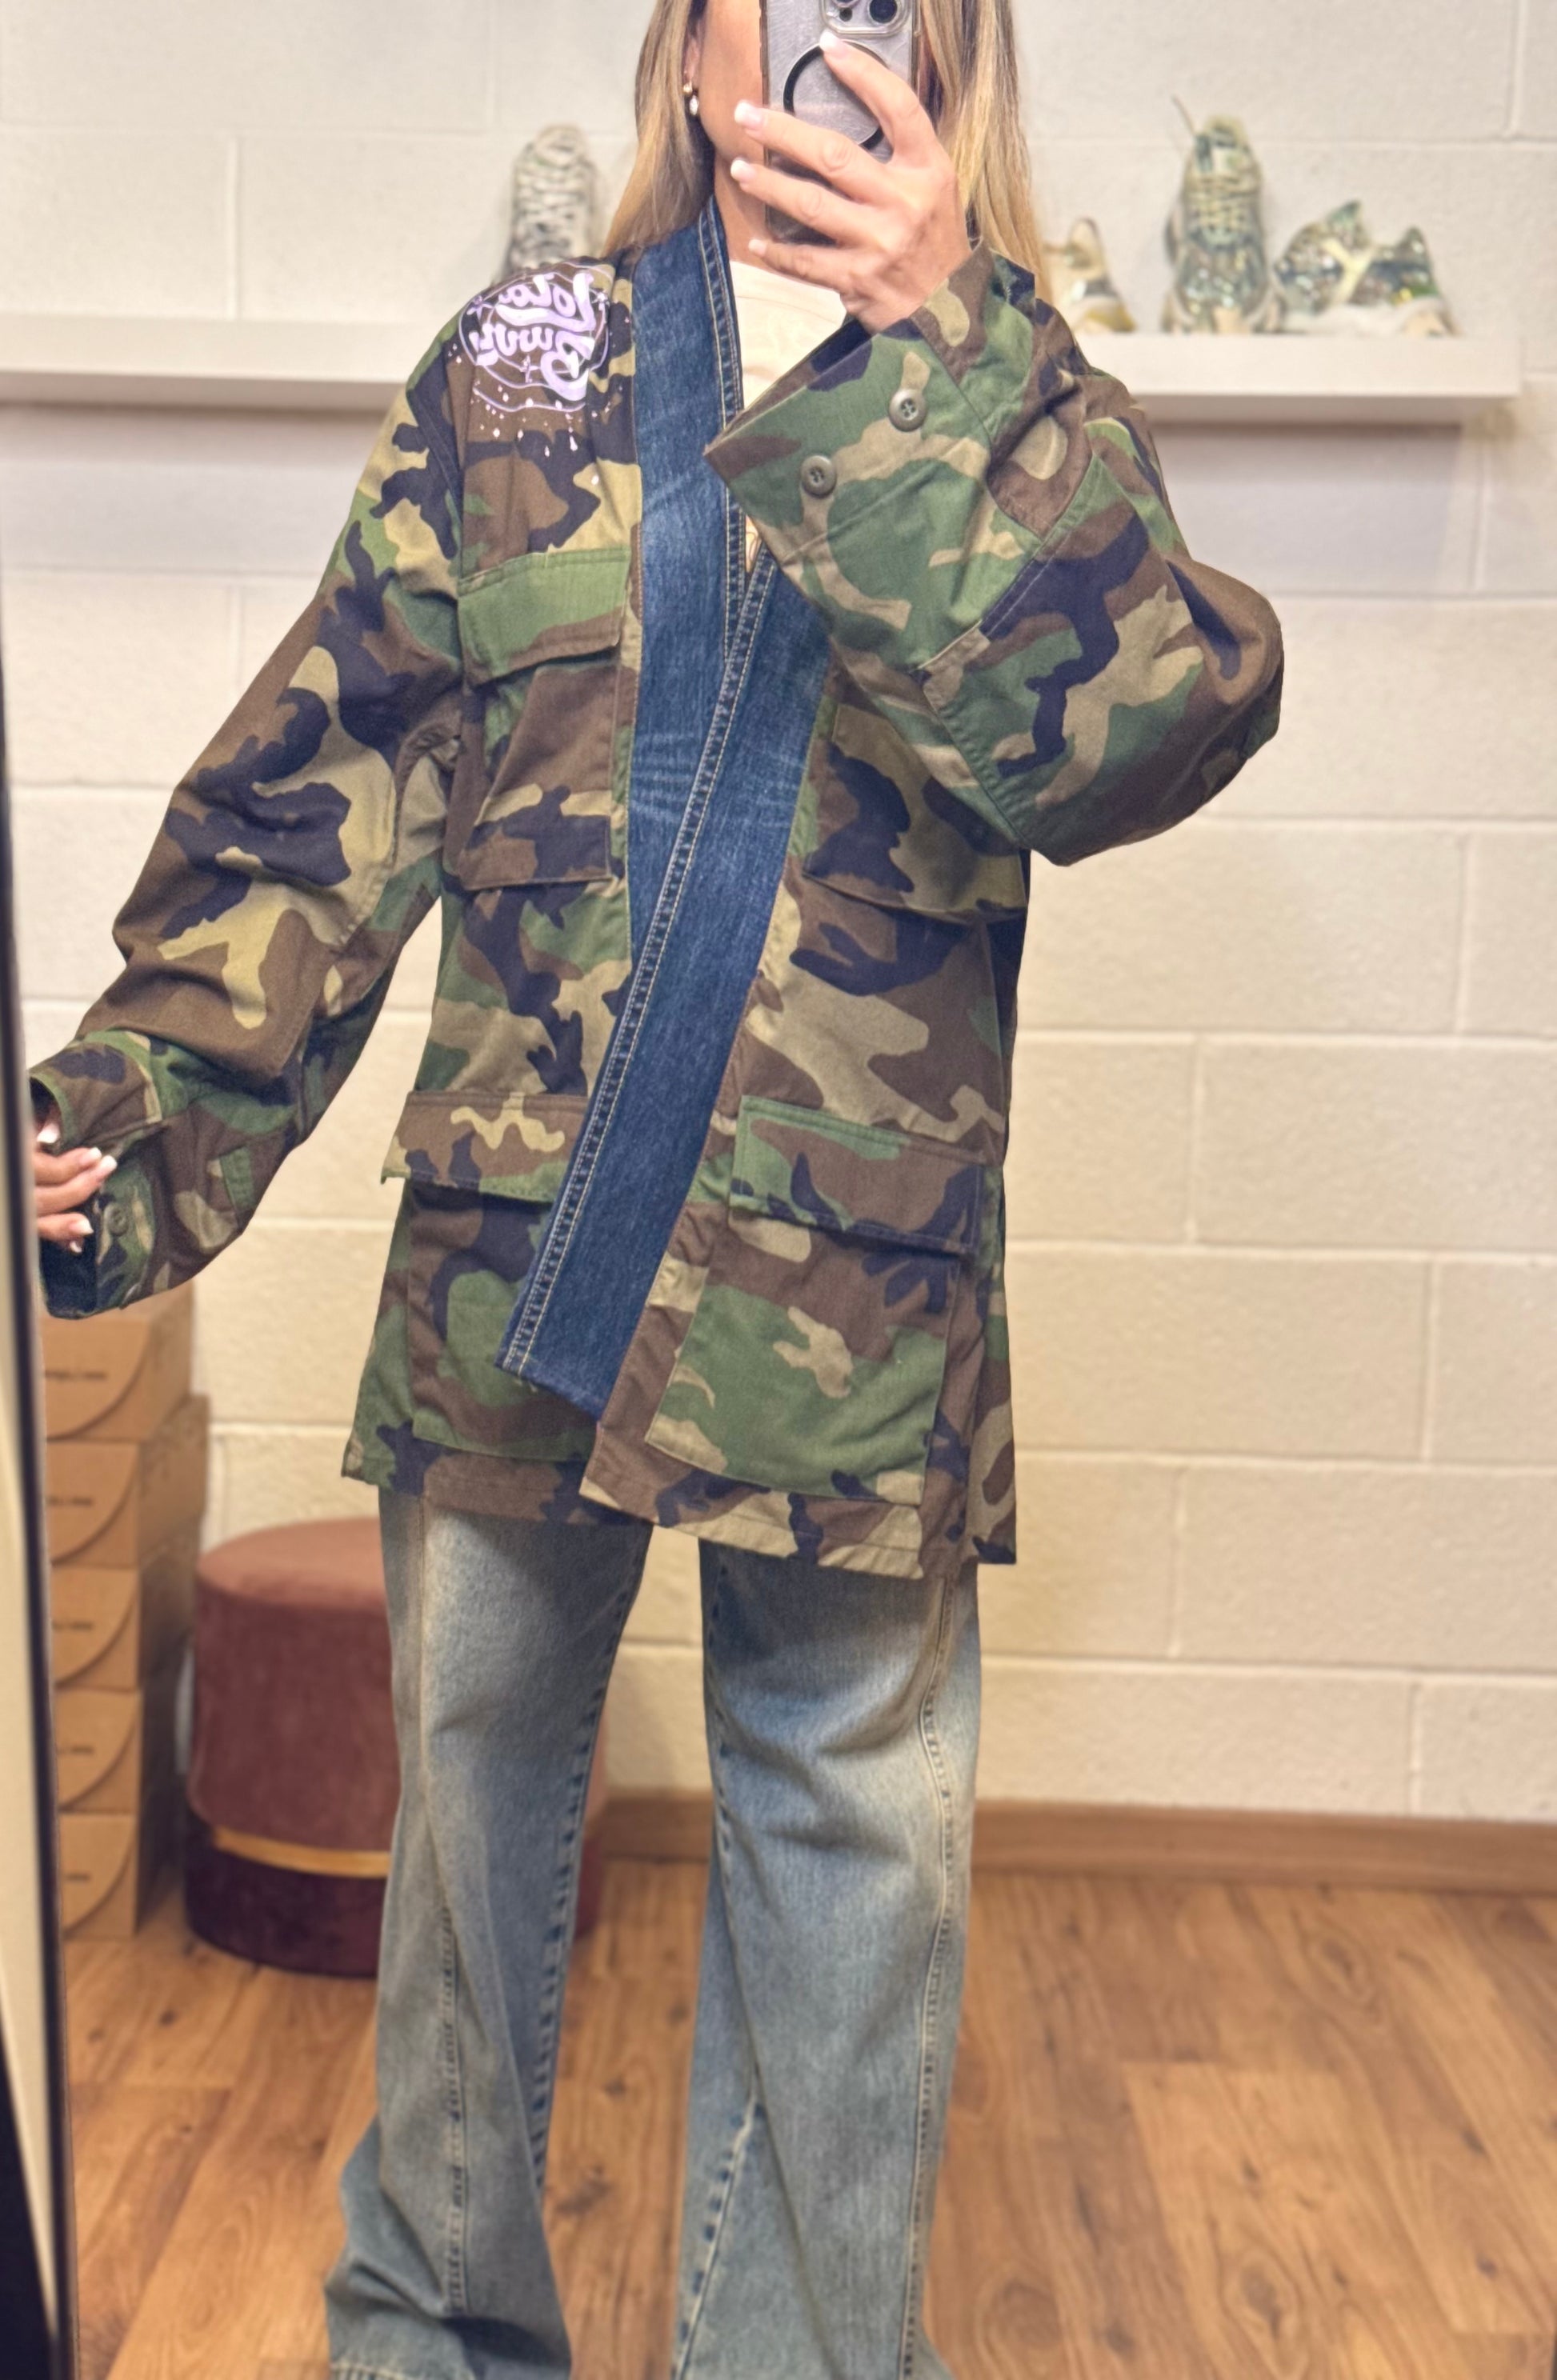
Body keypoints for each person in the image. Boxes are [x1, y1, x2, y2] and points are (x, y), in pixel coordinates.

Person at [30, 3, 1284, 2374]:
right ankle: (434, 2336)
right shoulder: (519, 368)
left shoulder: (1027, 397)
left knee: (852, 1845)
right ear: (692, 44)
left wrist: (945, 344)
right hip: (521, 1234)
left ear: (947, 60)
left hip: (856, 1267)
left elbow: (1133, 739)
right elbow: (328, 791)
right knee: (469, 1819)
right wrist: (129, 1119)